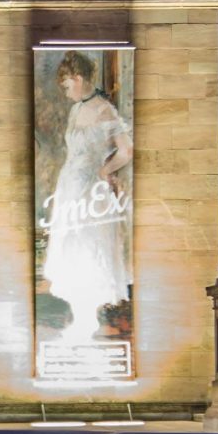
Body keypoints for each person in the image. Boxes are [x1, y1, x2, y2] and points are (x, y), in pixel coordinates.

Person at [40, 52, 133, 351]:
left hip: (90, 188)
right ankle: (80, 320)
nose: (66, 93)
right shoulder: (75, 110)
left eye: (67, 86)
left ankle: (88, 320)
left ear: (78, 78)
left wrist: (105, 170)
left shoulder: (104, 110)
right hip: (70, 183)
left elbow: (126, 150)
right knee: (71, 248)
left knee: (90, 247)